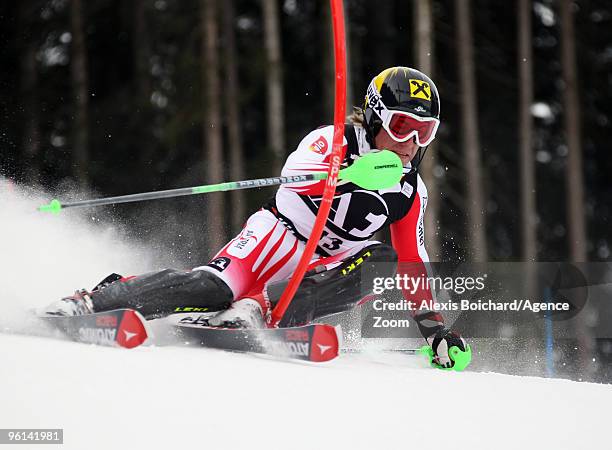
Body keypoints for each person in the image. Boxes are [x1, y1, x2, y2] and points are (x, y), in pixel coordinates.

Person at [45, 66, 468, 369]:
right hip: (279, 238)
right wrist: (348, 176)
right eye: (401, 126)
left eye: (424, 131)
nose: (411, 143)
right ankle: (92, 302)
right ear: (376, 117)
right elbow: (293, 178)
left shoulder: (411, 191)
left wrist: (434, 331)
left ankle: (258, 310)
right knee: (211, 287)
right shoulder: (333, 141)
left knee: (383, 262)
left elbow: (412, 260)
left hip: (322, 270)